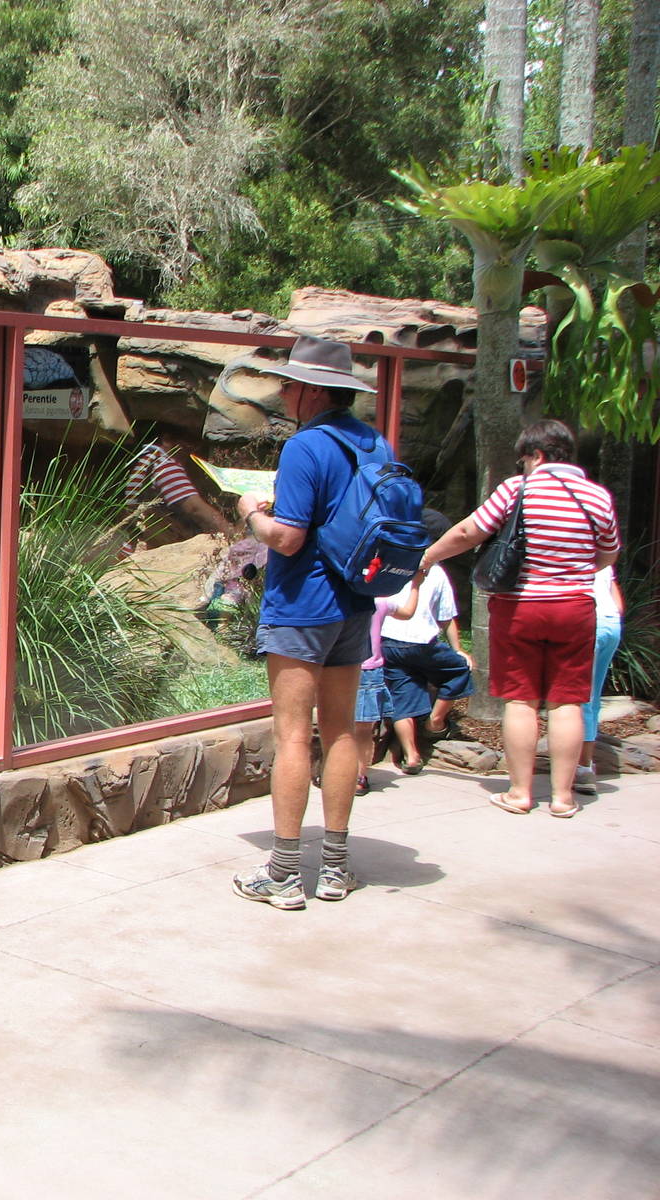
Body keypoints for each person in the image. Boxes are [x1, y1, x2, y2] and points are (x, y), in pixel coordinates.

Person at [231, 334, 382, 908]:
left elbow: (288, 539)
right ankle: (338, 868)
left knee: (293, 734)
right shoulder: (374, 443)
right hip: (354, 604)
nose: (285, 392)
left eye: (291, 384)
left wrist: (251, 515)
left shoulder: (306, 447)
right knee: (342, 729)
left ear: (314, 392)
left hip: (303, 607)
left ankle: (286, 873)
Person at [420, 419, 620, 818]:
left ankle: (520, 793)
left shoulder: (519, 490)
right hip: (575, 609)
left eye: (523, 459)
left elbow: (468, 532)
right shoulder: (597, 497)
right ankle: (563, 798)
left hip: (520, 608)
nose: (522, 466)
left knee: (522, 700)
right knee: (566, 703)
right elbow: (608, 554)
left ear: (538, 456)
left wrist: (428, 557)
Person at [379, 512, 474, 774]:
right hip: (421, 644)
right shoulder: (435, 571)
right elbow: (447, 617)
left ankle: (411, 757)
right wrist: (458, 650)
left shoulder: (389, 565)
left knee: (402, 696)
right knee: (459, 671)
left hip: (388, 644)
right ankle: (435, 722)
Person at [355, 581, 422, 795]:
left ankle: (339, 773)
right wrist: (416, 585)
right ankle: (359, 776)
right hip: (369, 672)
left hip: (342, 668)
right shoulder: (381, 601)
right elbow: (408, 613)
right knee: (364, 731)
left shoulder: (342, 599)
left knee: (339, 727)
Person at [576, 564, 624, 795]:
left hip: (588, 620)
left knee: (580, 697)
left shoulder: (574, 549)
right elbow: (616, 597)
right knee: (592, 697)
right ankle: (584, 763)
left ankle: (584, 769)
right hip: (611, 622)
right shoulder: (601, 552)